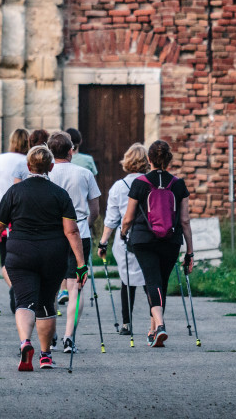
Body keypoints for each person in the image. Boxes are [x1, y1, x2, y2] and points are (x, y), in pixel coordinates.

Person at [0, 145, 87, 371]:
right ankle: (45, 356)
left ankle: (25, 342)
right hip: (53, 255)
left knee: (24, 301)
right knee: (46, 303)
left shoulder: (15, 192)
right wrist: (81, 264)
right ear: (51, 167)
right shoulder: (60, 194)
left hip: (20, 253)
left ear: (28, 166)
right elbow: (71, 231)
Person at [119, 140, 193, 348]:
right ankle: (153, 331)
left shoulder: (140, 183)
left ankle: (159, 325)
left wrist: (123, 233)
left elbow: (128, 217)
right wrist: (190, 251)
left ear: (149, 159)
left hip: (144, 239)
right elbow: (185, 221)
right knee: (161, 282)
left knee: (153, 281)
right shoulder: (178, 184)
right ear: (169, 160)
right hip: (171, 239)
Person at [47, 132, 101, 354]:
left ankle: (49, 332)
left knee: (50, 286)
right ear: (71, 151)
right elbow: (95, 210)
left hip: (51, 233)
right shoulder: (85, 173)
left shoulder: (45, 174)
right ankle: (69, 337)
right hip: (79, 231)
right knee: (75, 288)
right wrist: (84, 224)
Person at [98, 143, 150, 336]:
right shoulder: (151, 183)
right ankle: (156, 322)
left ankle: (126, 324)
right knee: (149, 280)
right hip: (150, 237)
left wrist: (103, 242)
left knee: (127, 280)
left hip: (125, 238)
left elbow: (112, 219)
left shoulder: (119, 187)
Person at [0, 129, 30, 298]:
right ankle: (23, 288)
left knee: (5, 258)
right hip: (24, 217)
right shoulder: (29, 161)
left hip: (2, 217)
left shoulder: (0, 160)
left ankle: (15, 288)